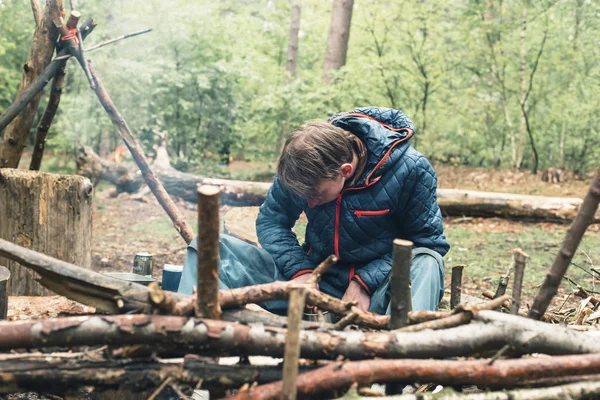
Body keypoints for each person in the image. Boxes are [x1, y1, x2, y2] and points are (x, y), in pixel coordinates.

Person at [178, 107, 449, 314]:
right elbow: (272, 220)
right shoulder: (303, 161)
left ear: (345, 172)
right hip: (314, 283)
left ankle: (402, 369)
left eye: (316, 196)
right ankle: (193, 342)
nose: (308, 204)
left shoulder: (412, 169)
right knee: (209, 246)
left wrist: (365, 282)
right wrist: (301, 273)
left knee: (428, 262)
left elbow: (428, 242)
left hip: (378, 294)